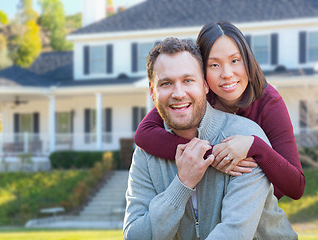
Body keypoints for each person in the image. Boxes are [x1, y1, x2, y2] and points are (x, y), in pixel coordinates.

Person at [123, 37, 297, 239]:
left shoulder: (244, 141)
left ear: (205, 85)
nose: (178, 93)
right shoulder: (146, 154)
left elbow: (233, 233)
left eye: (188, 80)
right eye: (166, 83)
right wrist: (183, 183)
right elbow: (135, 236)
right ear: (153, 92)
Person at [134, 21, 305, 200]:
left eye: (235, 60)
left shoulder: (269, 102)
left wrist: (254, 146)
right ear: (201, 73)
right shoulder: (195, 96)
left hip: (256, 205)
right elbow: (144, 134)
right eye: (214, 65)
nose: (227, 73)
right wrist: (214, 155)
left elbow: (296, 186)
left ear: (247, 60)